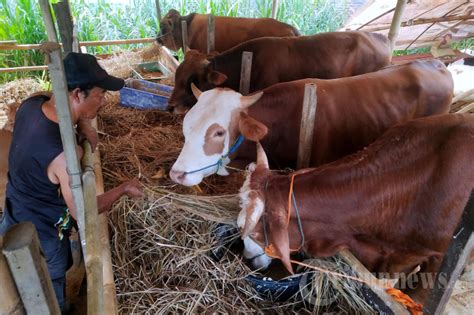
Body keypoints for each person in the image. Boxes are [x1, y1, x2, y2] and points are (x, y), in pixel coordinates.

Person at [0, 52, 144, 311]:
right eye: (100, 95)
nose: (103, 102)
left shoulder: (31, 106)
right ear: (78, 94)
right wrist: (123, 189)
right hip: (43, 233)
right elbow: (83, 211)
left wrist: (84, 122)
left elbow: (47, 98)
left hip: (13, 211)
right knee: (47, 291)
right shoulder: (63, 156)